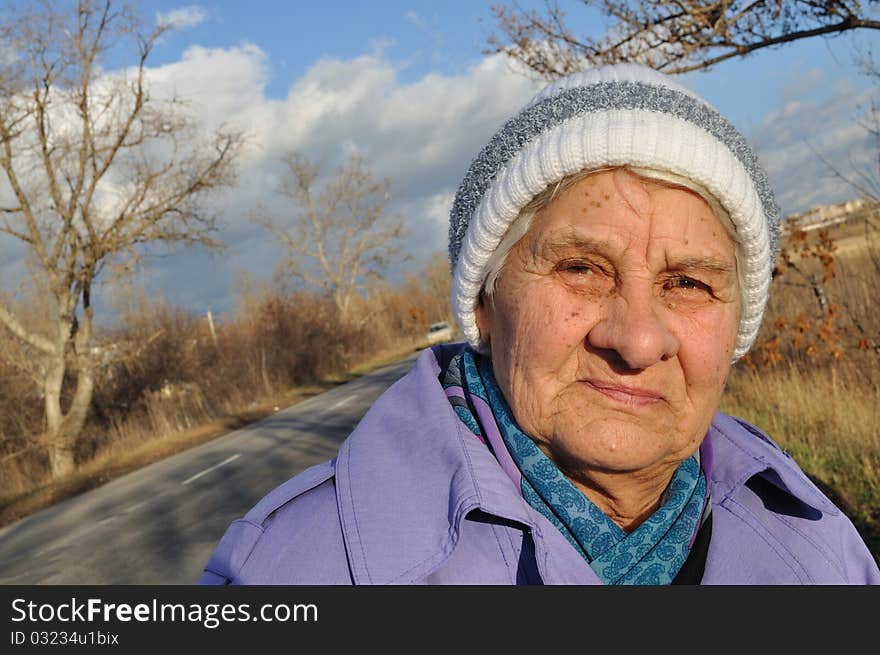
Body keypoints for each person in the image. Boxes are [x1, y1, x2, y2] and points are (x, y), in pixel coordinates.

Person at [200, 63, 879, 585]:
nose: (638, 339)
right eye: (582, 268)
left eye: (688, 283)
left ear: (736, 325)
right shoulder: (294, 568)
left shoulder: (822, 548)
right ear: (487, 305)